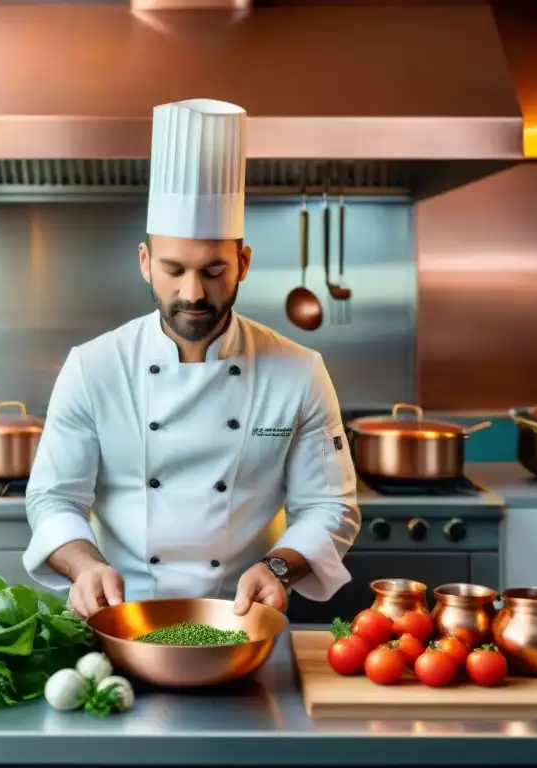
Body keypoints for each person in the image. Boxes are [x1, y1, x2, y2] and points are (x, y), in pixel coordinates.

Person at [23, 98, 361, 619]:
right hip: (120, 617)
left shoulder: (299, 371)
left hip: (242, 620)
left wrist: (277, 569)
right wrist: (85, 565)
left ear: (243, 262)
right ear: (144, 262)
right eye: (173, 268)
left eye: (213, 269)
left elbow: (329, 507)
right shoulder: (94, 368)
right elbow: (53, 498)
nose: (193, 293)